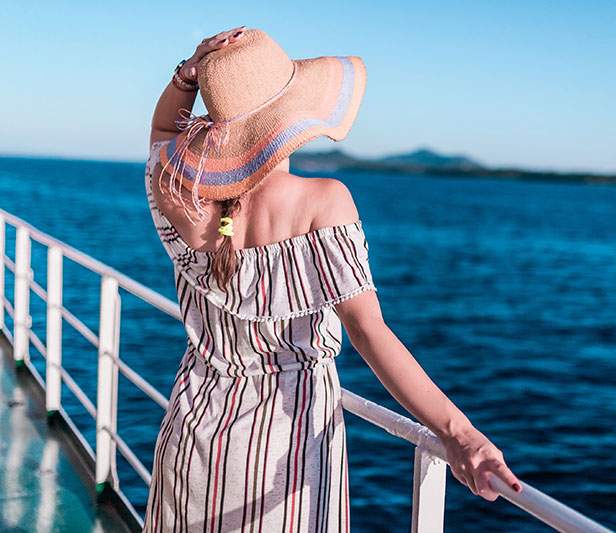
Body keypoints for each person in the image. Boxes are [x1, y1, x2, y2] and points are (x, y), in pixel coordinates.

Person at [142, 26, 522, 532]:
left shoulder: (176, 192)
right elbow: (368, 331)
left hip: (192, 434)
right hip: (287, 446)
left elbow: (163, 136)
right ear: (292, 116)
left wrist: (188, 74)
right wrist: (460, 432)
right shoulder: (324, 201)